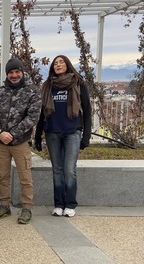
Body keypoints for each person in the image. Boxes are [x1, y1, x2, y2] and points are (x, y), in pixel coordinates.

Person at [35, 55, 92, 218]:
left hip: (72, 132)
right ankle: (58, 204)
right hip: (52, 132)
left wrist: (86, 136)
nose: (58, 65)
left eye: (61, 62)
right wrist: (38, 136)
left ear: (68, 65)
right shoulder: (48, 86)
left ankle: (70, 204)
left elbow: (87, 111)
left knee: (69, 170)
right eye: (55, 63)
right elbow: (42, 113)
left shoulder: (78, 83)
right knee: (57, 170)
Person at [0, 58, 41, 224]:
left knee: (25, 177)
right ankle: (4, 205)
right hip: (1, 142)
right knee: (2, 175)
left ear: (22, 72)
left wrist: (12, 134)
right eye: (11, 72)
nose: (14, 75)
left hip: (21, 142)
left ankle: (27, 208)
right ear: (7, 74)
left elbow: (33, 117)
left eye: (17, 71)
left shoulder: (32, 91)